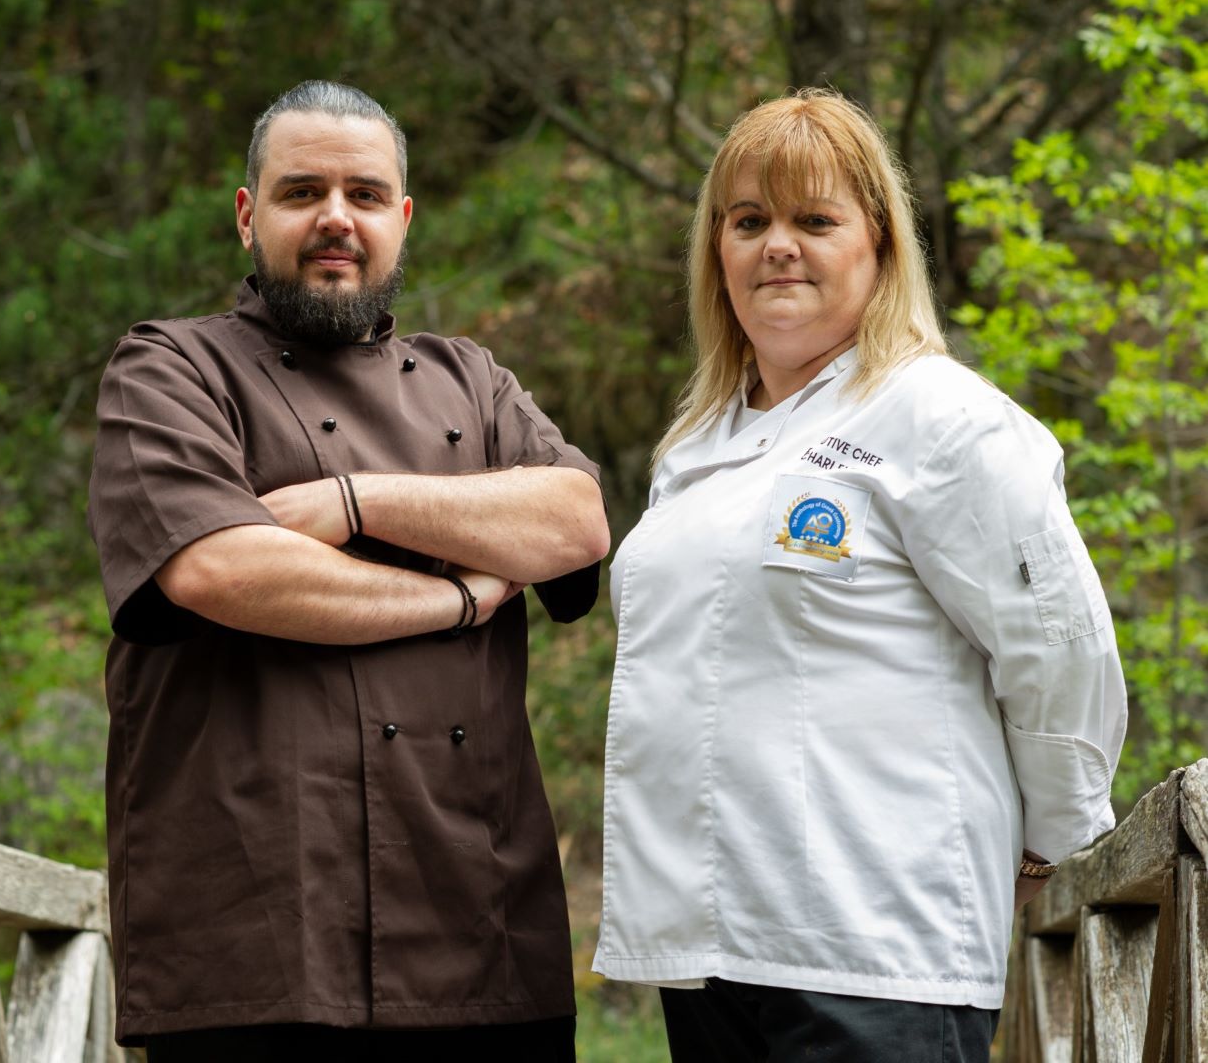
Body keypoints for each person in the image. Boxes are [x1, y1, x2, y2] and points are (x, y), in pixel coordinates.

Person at [593, 89, 1126, 1062]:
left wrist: (1055, 849)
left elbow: (1060, 649)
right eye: (748, 221)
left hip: (878, 950)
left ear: (877, 245)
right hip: (708, 947)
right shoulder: (695, 450)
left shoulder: (940, 416)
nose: (777, 247)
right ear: (716, 251)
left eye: (814, 220)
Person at [87, 80, 609, 1061]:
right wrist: (457, 597)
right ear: (247, 215)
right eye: (302, 192)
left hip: (482, 930)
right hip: (259, 944)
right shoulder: (170, 370)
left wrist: (353, 503)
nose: (336, 218)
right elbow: (217, 569)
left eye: (364, 194)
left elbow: (575, 521)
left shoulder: (474, 382)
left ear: (401, 220)